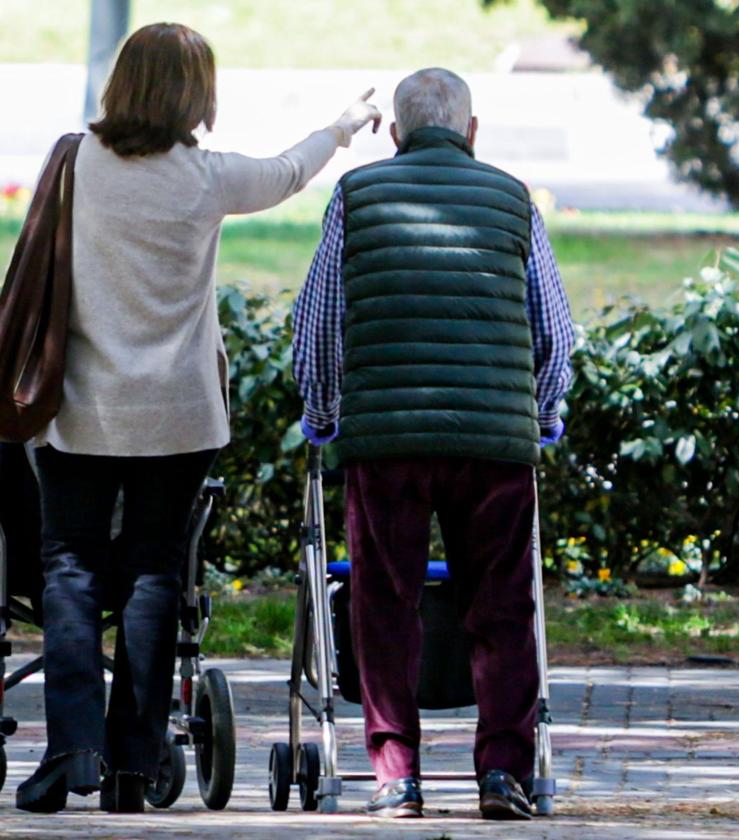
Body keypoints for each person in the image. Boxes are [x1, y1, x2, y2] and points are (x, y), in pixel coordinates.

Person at [16, 22, 381, 815]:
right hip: (179, 416)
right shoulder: (206, 180)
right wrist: (344, 128)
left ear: (122, 85)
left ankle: (69, 748)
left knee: (70, 572)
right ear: (197, 94)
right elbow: (288, 171)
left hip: (82, 410)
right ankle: (133, 770)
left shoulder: (76, 163)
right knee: (154, 574)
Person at [292, 67, 574, 820]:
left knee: (386, 605)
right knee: (503, 608)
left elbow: (320, 323)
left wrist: (324, 412)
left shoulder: (356, 197)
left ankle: (396, 777)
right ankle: (505, 774)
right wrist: (543, 413)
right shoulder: (515, 200)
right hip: (495, 444)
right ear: (472, 131)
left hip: (387, 442)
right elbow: (553, 329)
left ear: (394, 133)